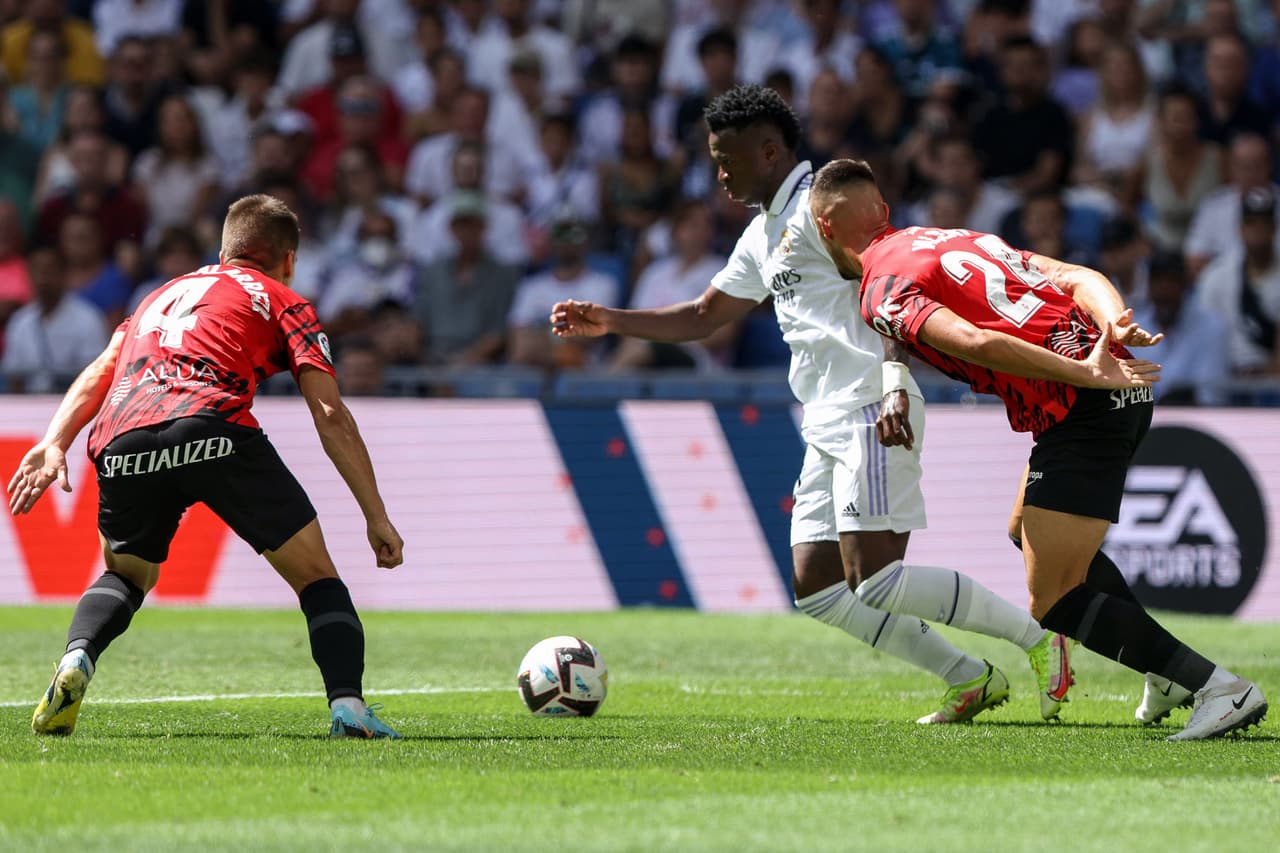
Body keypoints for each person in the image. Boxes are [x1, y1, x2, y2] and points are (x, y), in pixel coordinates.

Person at [552, 85, 1076, 725]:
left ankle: (1038, 638)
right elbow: (703, 316)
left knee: (877, 580)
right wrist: (610, 320)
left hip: (871, 405)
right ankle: (968, 676)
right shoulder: (761, 233)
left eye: (727, 159)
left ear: (769, 151)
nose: (719, 172)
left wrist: (891, 384)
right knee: (819, 590)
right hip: (825, 416)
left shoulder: (822, 211)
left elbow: (892, 287)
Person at [810, 156, 1267, 740]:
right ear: (884, 210)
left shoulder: (882, 287)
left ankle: (1217, 688)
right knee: (1022, 531)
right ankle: (1167, 675)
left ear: (826, 229)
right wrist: (1112, 328)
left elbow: (977, 341)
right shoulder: (950, 238)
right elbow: (1076, 276)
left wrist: (1083, 371)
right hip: (1106, 393)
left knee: (1051, 601)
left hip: (1085, 406)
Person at [8, 194, 405, 740]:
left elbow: (103, 369)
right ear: (288, 258)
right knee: (315, 576)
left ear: (224, 248)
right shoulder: (283, 298)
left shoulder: (156, 297)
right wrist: (375, 514)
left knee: (125, 574)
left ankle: (77, 658)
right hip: (211, 426)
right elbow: (330, 412)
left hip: (123, 438)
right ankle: (348, 708)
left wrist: (54, 441)